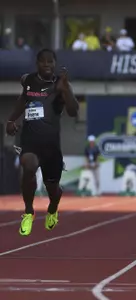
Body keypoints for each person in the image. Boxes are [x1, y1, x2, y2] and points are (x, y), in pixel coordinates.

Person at [5, 48, 79, 236]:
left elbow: (73, 111)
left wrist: (65, 90)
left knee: (52, 188)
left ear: (55, 64)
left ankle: (53, 208)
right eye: (43, 61)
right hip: (30, 141)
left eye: (50, 62)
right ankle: (28, 212)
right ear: (37, 64)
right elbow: (23, 99)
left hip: (51, 146)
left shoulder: (60, 85)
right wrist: (11, 119)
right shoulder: (28, 80)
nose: (47, 65)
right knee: (28, 165)